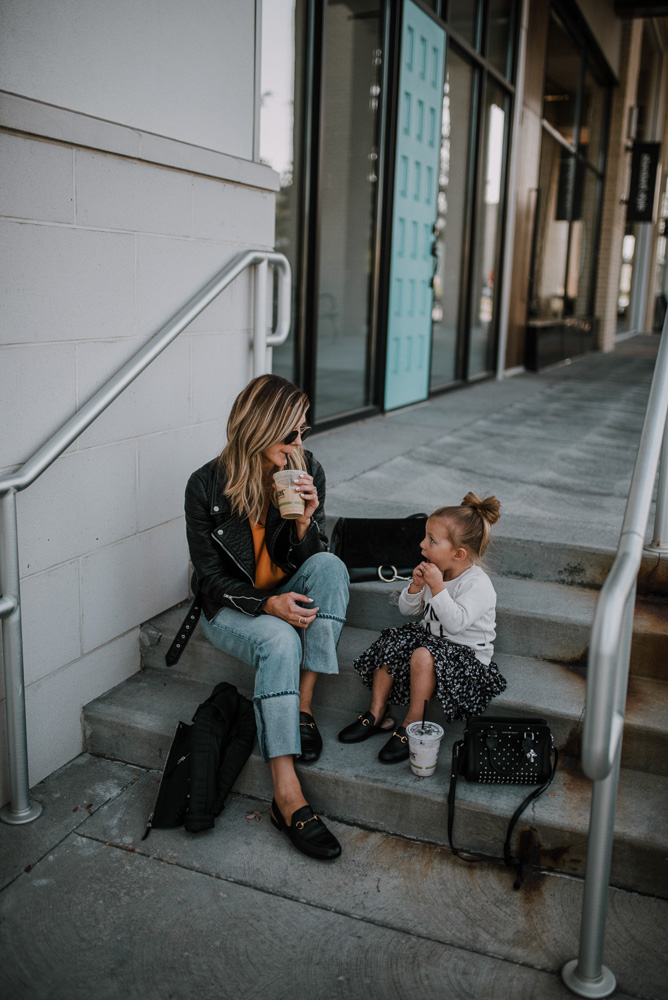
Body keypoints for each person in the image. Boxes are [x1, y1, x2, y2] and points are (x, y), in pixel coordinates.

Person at [184, 374, 349, 859]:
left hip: (284, 592)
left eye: (304, 431)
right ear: (259, 428)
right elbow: (209, 579)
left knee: (332, 566)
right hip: (233, 609)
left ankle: (301, 707)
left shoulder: (306, 469)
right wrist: (265, 604)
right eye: (291, 433)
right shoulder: (205, 485)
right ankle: (286, 793)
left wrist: (304, 524)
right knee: (278, 640)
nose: (301, 443)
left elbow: (308, 565)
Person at [338, 493, 506, 762]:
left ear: (458, 553)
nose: (421, 544)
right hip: (433, 639)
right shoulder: (435, 569)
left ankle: (412, 724)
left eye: (431, 540)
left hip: (466, 656)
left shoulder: (477, 584)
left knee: (422, 654)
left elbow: (456, 623)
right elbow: (408, 610)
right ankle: (376, 712)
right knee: (392, 640)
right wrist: (416, 588)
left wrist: (437, 586)